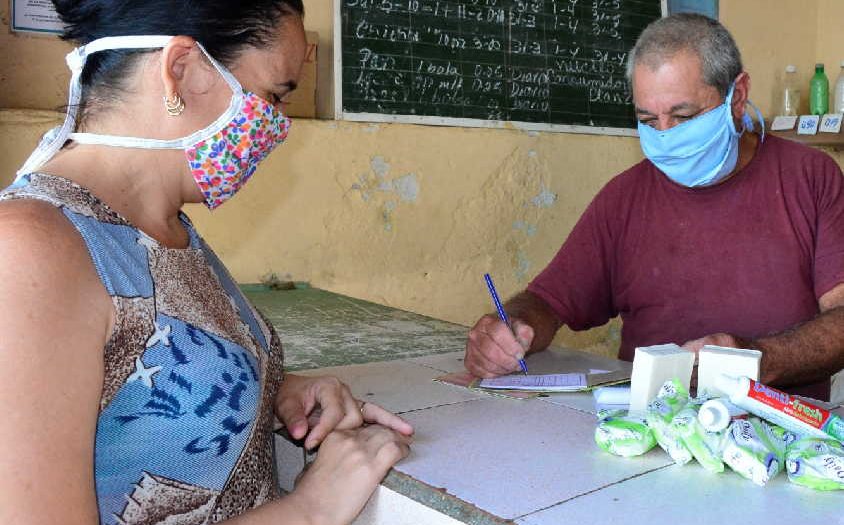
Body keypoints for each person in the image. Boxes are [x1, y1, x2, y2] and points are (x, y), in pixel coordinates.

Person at [0, 1, 414, 524]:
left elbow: (123, 380)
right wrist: (313, 508)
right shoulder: (31, 251)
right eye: (273, 96)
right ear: (183, 71)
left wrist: (271, 389)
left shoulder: (163, 230)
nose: (277, 126)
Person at [464, 13, 844, 401]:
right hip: (646, 428)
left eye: (683, 116)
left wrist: (759, 359)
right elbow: (547, 301)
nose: (665, 137)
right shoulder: (624, 197)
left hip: (783, 435)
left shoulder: (810, 178)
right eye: (648, 120)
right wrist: (513, 326)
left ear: (738, 95)